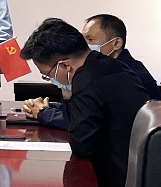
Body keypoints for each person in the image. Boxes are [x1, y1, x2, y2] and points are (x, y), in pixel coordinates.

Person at [20, 18, 149, 187]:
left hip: (122, 186)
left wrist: (66, 91)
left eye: (47, 75)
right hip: (138, 173)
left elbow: (82, 144)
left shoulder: (88, 78)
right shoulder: (106, 65)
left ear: (64, 65)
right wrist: (67, 92)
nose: (50, 80)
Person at [23, 14, 160, 128]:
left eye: (90, 39)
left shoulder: (118, 73)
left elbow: (85, 122)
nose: (85, 46)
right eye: (82, 39)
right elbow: (85, 110)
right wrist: (48, 108)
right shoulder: (108, 69)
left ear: (116, 43)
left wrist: (43, 112)